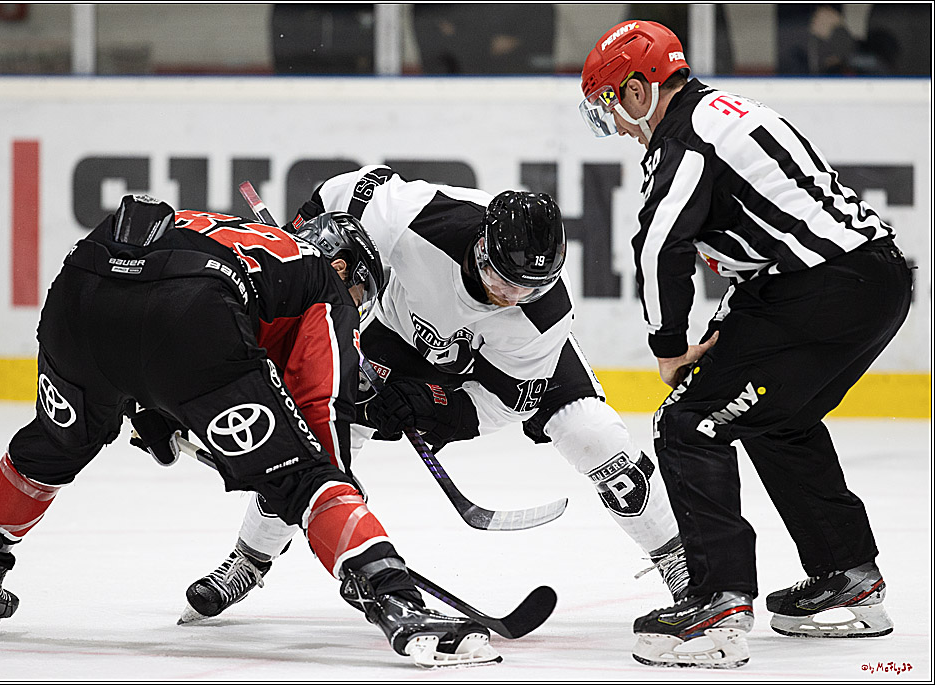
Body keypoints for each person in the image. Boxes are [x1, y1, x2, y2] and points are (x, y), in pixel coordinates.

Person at [0, 194, 503, 669]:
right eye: (361, 297)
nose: (358, 308)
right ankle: (394, 601)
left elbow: (141, 290)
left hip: (80, 293)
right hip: (186, 317)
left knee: (54, 443)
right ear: (347, 268)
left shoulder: (234, 236)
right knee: (306, 478)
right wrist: (332, 490)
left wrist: (152, 404)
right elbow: (319, 407)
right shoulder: (323, 281)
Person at [180, 166, 691, 626]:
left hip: (496, 366)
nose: (510, 297)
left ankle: (680, 562)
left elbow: (507, 402)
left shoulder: (541, 317)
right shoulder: (417, 216)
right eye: (504, 280)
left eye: (529, 288)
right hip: (400, 330)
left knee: (593, 435)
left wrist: (432, 404)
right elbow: (345, 191)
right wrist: (299, 257)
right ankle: (249, 560)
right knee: (321, 438)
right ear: (483, 248)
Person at [578, 20, 911, 668]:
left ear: (642, 90)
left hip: (821, 290)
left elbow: (655, 249)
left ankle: (719, 602)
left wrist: (669, 345)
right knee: (776, 419)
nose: (616, 123)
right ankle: (850, 575)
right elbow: (770, 246)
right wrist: (723, 330)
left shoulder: (684, 140)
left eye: (613, 103)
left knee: (688, 423)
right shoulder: (729, 111)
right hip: (877, 278)